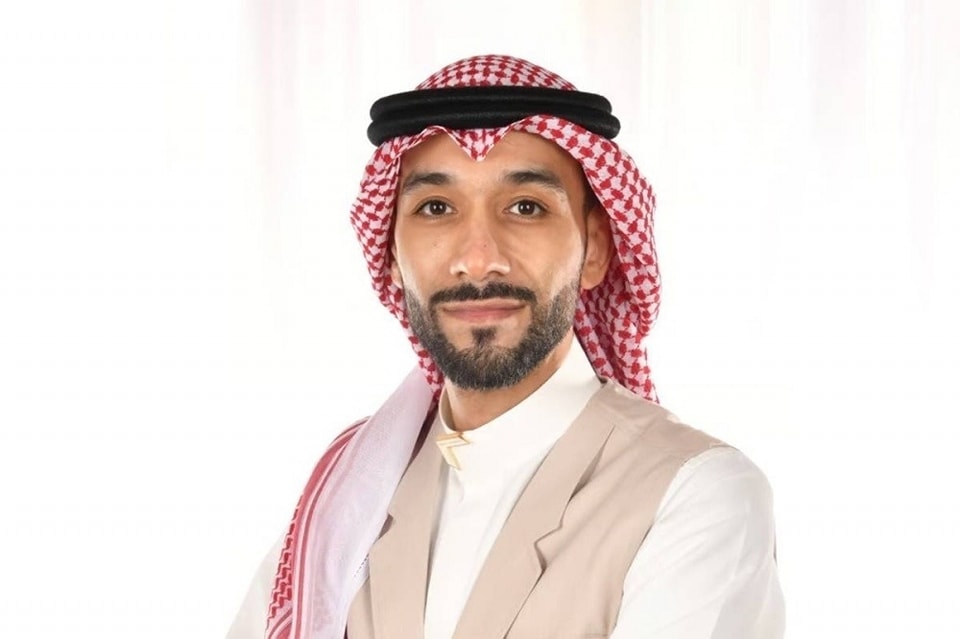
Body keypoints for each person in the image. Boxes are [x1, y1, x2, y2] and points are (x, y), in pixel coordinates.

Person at [228, 54, 784, 639]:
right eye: (436, 208)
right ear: (391, 256)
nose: (478, 260)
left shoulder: (693, 495)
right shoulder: (345, 498)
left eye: (526, 208)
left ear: (595, 249)